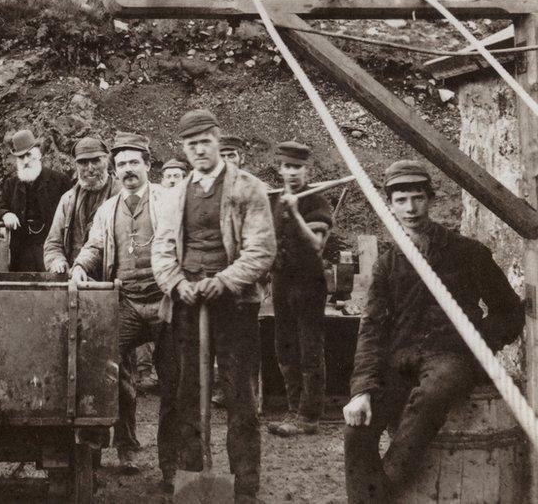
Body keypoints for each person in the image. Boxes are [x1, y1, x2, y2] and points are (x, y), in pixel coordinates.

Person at [342, 160, 524, 503]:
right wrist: (362, 390)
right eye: (401, 200)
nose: (410, 208)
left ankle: (384, 491)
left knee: (434, 392)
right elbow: (372, 329)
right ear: (390, 204)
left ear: (431, 199)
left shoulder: (467, 253)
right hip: (401, 358)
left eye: (417, 198)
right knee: (357, 429)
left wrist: (480, 344)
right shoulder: (388, 263)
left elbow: (509, 310)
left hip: (451, 358)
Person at [152, 109, 275, 502]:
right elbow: (162, 248)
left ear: (218, 140)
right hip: (187, 307)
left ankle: (245, 485)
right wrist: (176, 284)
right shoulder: (175, 195)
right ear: (184, 149)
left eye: (205, 141)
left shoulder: (247, 189)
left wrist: (222, 281)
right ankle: (190, 475)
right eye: (191, 144)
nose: (199, 150)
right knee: (186, 392)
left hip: (234, 306)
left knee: (240, 395)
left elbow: (260, 250)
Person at [71, 132, 174, 487]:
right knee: (98, 367)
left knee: (175, 384)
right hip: (126, 303)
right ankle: (92, 461)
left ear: (148, 165)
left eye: (134, 162)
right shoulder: (108, 209)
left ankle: (172, 468)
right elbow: (95, 245)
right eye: (122, 164)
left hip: (166, 302)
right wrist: (81, 266)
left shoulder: (168, 200)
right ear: (115, 171)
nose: (128, 169)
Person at [267, 141, 334, 438]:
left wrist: (295, 213)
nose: (292, 172)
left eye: (298, 167)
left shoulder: (316, 201)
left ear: (307, 169)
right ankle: (294, 409)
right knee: (285, 346)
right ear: (280, 169)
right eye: (287, 166)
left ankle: (309, 416)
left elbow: (317, 244)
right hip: (281, 279)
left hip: (309, 282)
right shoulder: (276, 198)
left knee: (309, 348)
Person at [0, 130, 71, 272]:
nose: (26, 161)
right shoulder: (11, 184)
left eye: (29, 155)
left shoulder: (60, 181)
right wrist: (5, 214)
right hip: (22, 251)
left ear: (38, 154)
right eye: (21, 157)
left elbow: (72, 213)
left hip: (51, 250)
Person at [44, 137, 121, 277]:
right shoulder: (68, 199)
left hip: (111, 279)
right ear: (76, 166)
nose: (90, 169)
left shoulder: (121, 195)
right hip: (76, 278)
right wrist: (57, 261)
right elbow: (53, 243)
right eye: (83, 162)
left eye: (96, 161)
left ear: (106, 161)